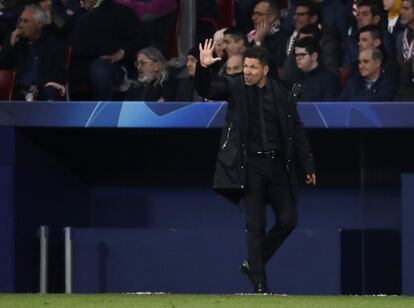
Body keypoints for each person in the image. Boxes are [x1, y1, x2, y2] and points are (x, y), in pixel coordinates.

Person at [194, 39, 317, 294]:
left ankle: (253, 262)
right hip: (249, 166)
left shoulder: (283, 92)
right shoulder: (235, 87)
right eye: (245, 67)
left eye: (252, 67)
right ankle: (260, 284)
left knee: (289, 220)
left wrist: (308, 165)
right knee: (256, 225)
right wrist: (203, 67)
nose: (247, 72)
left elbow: (297, 131)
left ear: (265, 70)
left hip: (278, 165)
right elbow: (208, 90)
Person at [0, 4, 66, 100]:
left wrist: (38, 85)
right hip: (17, 89)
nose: (21, 25)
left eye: (26, 21)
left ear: (39, 24)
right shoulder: (15, 41)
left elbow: (58, 73)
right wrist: (10, 46)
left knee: (49, 93)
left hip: (42, 89)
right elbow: (2, 67)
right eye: (20, 21)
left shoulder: (52, 44)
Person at [294, 37, 341, 101]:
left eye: (301, 55)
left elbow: (329, 108)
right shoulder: (299, 77)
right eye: (296, 55)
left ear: (314, 56)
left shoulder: (329, 80)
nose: (297, 58)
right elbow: (292, 101)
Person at [395, 0, 414, 100]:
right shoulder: (401, 37)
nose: (401, 12)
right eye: (401, 8)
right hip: (405, 91)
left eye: (406, 8)